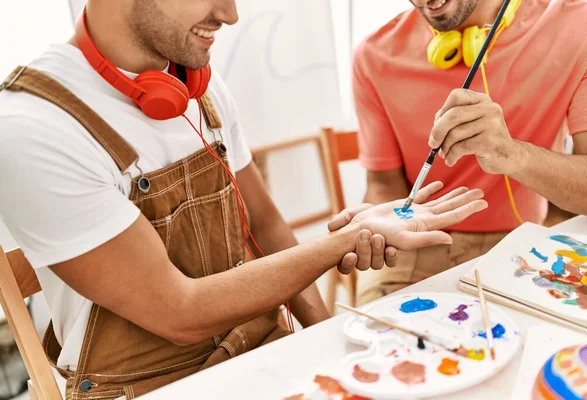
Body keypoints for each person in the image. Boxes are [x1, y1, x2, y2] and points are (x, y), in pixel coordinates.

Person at [0, 1, 487, 398]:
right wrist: (345, 242)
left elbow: (268, 224)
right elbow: (179, 312)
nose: (230, 15)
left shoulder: (200, 88)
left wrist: (331, 339)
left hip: (263, 352)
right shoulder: (32, 128)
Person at [350, 0, 587, 305]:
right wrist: (385, 225)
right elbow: (382, 182)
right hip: (413, 246)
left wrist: (513, 154)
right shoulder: (372, 55)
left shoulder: (584, 25)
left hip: (519, 244)